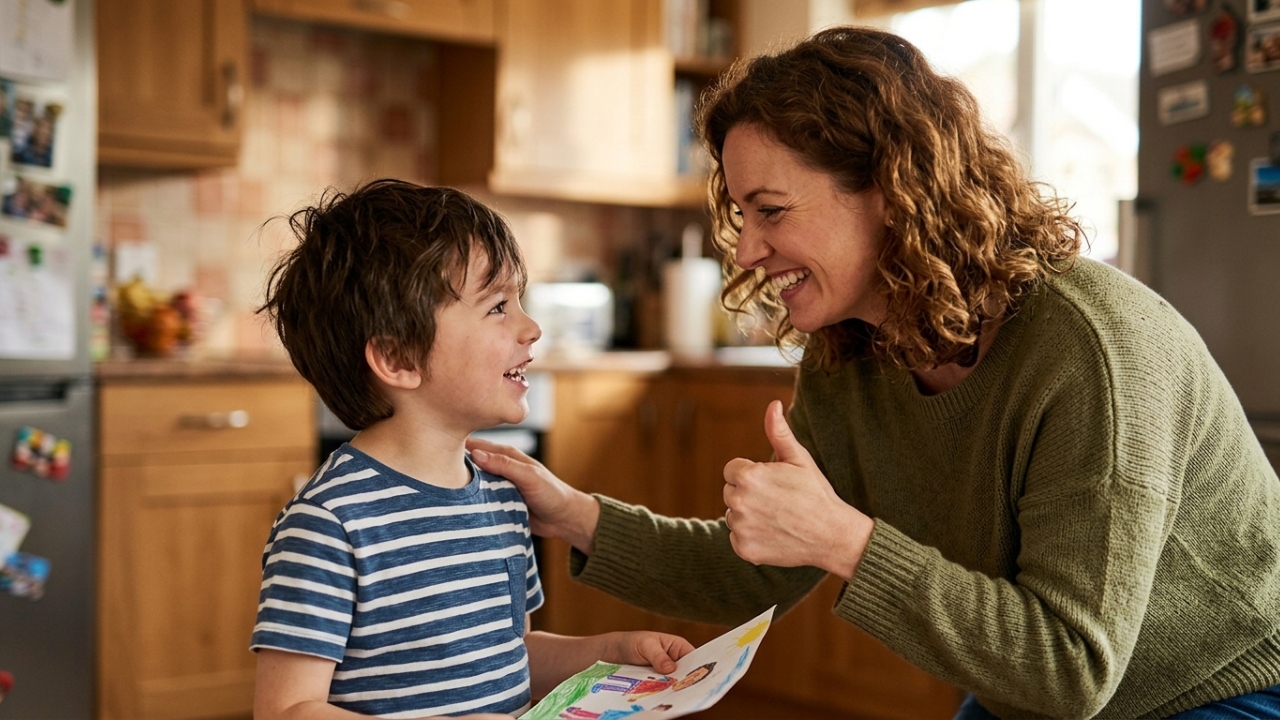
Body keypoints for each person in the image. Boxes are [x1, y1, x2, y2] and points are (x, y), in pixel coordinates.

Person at [467, 27, 1280, 720]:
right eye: (742, 216)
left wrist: (842, 538)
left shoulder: (1091, 353)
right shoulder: (850, 351)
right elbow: (755, 570)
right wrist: (574, 515)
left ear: (893, 189)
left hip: (1222, 689)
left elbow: (1070, 668)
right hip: (1034, 695)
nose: (745, 249)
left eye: (771, 210)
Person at [252, 180, 694, 720]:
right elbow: (287, 710)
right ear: (398, 358)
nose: (532, 328)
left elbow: (510, 656)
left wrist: (610, 654)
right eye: (498, 307)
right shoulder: (329, 524)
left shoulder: (503, 498)